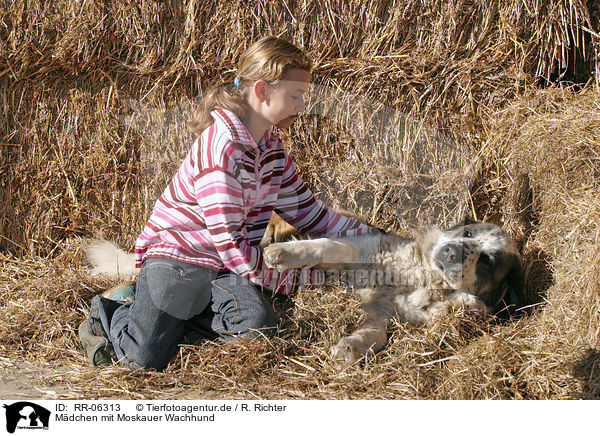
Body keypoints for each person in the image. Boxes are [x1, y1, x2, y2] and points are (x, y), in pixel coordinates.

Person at [78, 36, 381, 370]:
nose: (302, 106)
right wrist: (293, 280)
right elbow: (232, 245)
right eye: (296, 95)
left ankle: (172, 316)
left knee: (259, 328)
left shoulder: (272, 153)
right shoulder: (221, 148)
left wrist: (376, 240)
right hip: (179, 255)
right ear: (263, 91)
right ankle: (112, 310)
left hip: (223, 267)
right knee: (144, 357)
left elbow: (312, 215)